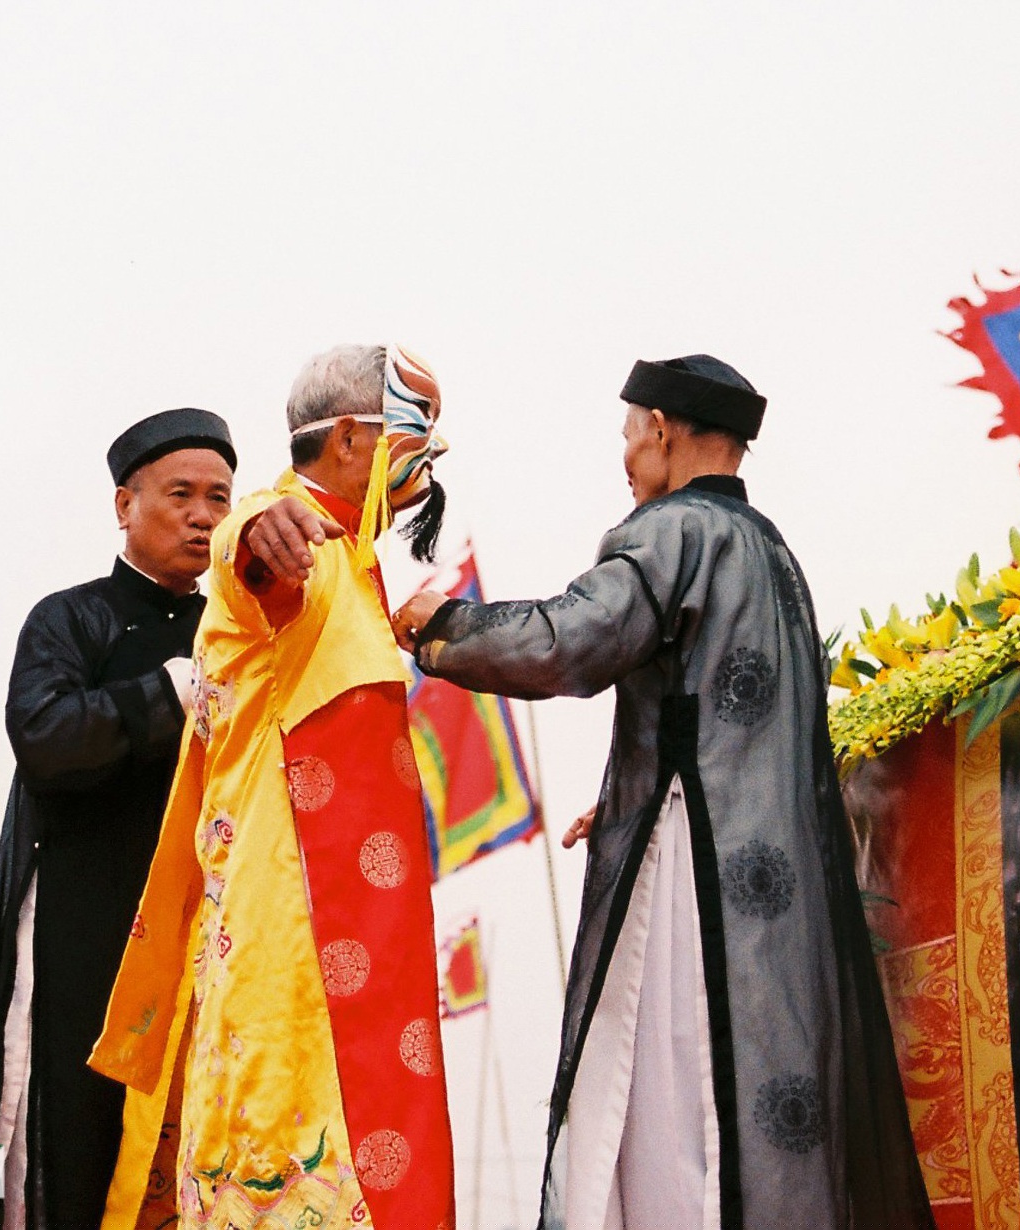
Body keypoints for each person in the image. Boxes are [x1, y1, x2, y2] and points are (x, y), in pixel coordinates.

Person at [392, 355, 935, 1230]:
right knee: (749, 1090)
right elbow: (731, 723)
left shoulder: (670, 530)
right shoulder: (771, 552)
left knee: (672, 1097)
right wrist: (628, 796)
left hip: (698, 873)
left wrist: (442, 630)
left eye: (626, 432)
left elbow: (573, 640)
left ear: (661, 429)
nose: (624, 452)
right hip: (758, 865)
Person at [89, 344, 454, 1230]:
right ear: (347, 440)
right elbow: (247, 567)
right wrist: (253, 519)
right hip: (295, 932)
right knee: (288, 1145)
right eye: (414, 437)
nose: (430, 463)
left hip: (374, 933)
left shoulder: (354, 560)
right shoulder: (291, 538)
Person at [0, 409, 237, 1230]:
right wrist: (172, 693)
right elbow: (44, 737)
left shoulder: (241, 631)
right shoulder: (69, 619)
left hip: (204, 934)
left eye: (220, 498)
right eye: (180, 493)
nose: (204, 516)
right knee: (75, 1145)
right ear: (124, 504)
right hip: (86, 929)